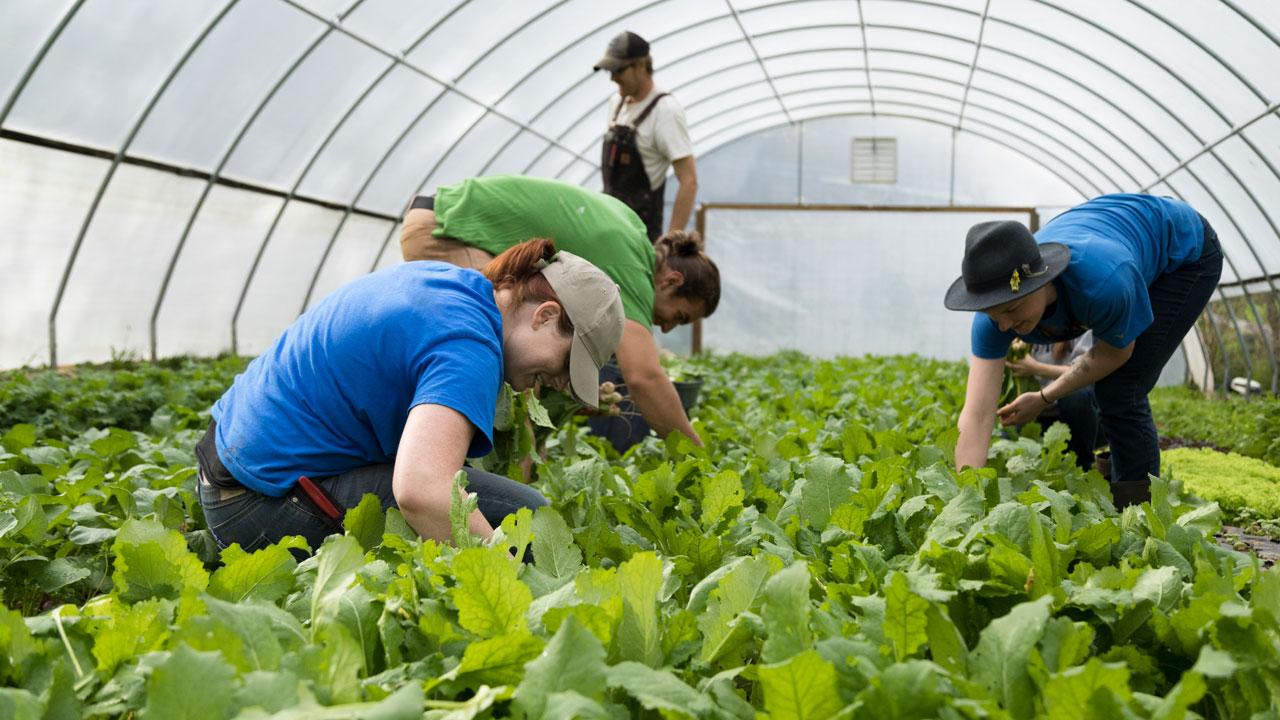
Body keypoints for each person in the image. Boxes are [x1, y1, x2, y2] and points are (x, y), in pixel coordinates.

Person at [195, 239, 625, 552]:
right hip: (256, 505)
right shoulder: (469, 346)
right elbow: (422, 491)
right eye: (565, 363)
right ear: (545, 316)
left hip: (227, 471)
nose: (556, 380)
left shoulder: (452, 285)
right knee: (525, 520)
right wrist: (507, 578)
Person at [400, 174, 719, 453]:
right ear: (672, 280)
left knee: (519, 373)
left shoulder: (633, 234)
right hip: (445, 229)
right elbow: (643, 377)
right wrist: (697, 456)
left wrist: (571, 393)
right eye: (680, 316)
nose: (666, 328)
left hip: (437, 215)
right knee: (506, 383)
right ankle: (502, 504)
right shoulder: (634, 267)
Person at [944, 194, 1222, 508]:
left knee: (1121, 387)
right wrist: (965, 502)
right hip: (1114, 238)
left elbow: (1115, 354)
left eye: (1012, 309)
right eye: (994, 314)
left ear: (1042, 283)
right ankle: (1116, 488)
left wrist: (1046, 396)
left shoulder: (1103, 284)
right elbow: (978, 413)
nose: (1004, 325)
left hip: (1183, 252)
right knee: (1109, 391)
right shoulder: (994, 315)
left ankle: (1138, 516)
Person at [593, 30, 697, 242]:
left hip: (641, 237)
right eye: (609, 72)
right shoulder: (617, 103)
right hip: (610, 227)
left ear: (641, 65)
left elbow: (689, 181)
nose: (613, 78)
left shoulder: (665, 111)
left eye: (618, 70)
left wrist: (669, 244)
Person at [1006, 334, 1104, 471]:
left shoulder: (1082, 326)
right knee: (1006, 438)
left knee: (1075, 395)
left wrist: (1035, 368)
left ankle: (1083, 465)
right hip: (1039, 415)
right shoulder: (1024, 327)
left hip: (1078, 415)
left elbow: (1087, 371)